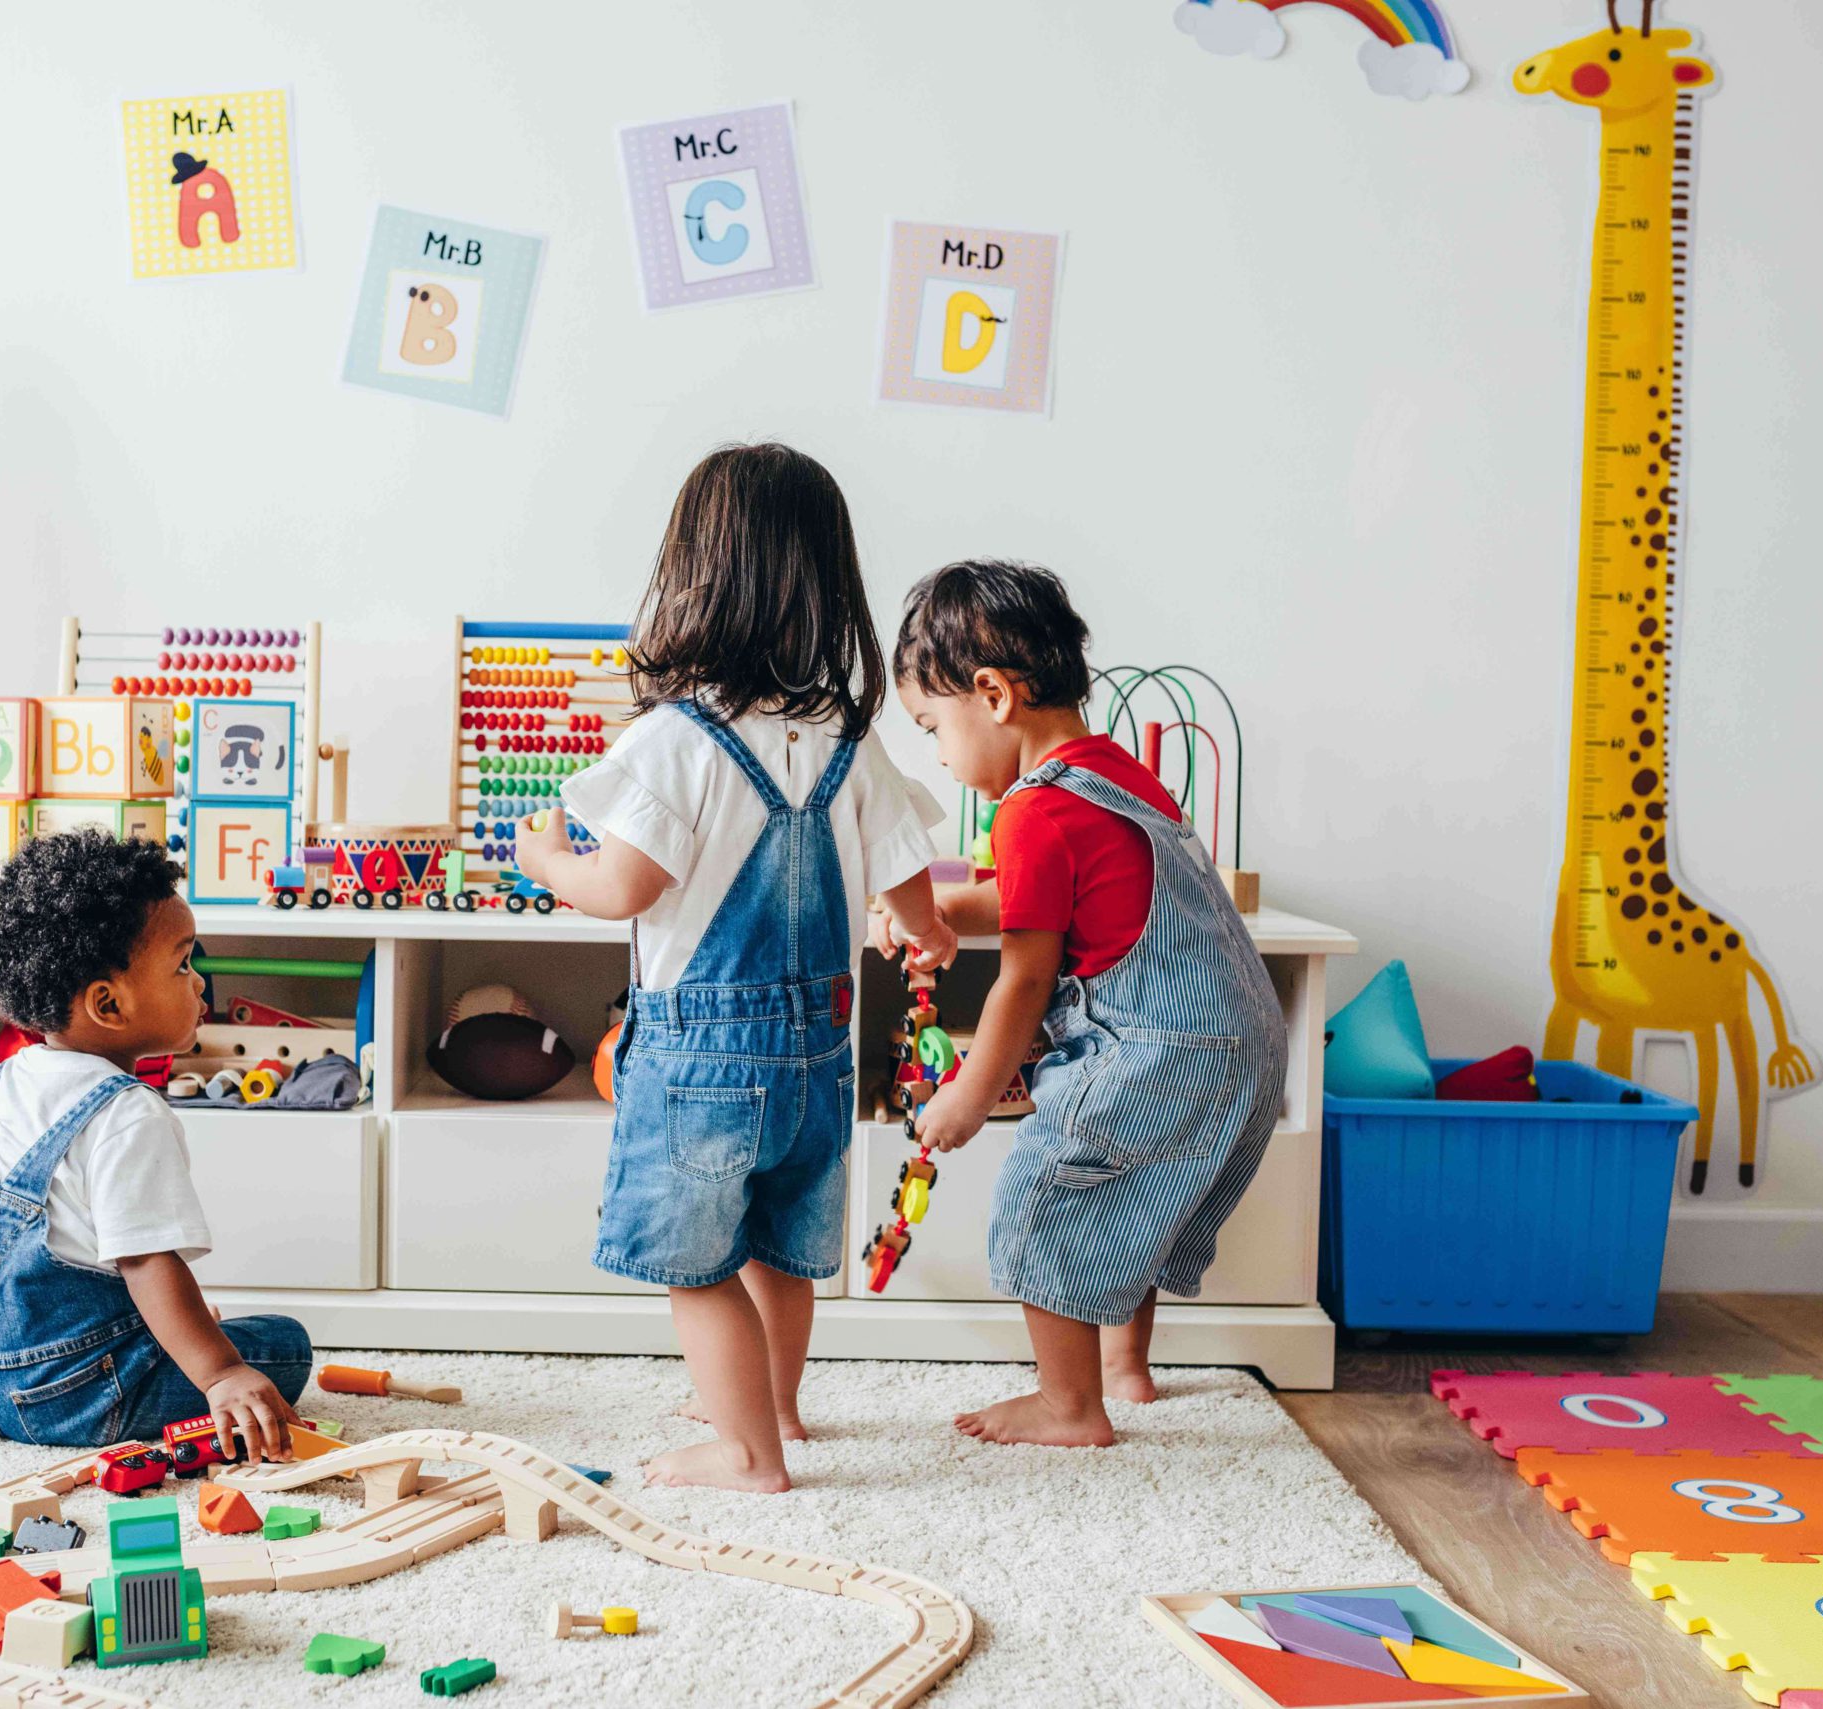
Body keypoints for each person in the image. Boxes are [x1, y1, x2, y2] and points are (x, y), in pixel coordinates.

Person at [517, 441, 951, 1491]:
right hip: (819, 1051)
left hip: (702, 1056)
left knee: (697, 1264)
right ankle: (779, 1408)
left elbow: (622, 885)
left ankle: (745, 1450)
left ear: (693, 576)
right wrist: (913, 931)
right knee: (778, 1246)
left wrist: (544, 860)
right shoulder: (850, 736)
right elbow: (914, 897)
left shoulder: (675, 738)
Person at [882, 560, 1286, 1447]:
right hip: (1241, 1038)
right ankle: (1123, 1367)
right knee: (1128, 1198)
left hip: (1161, 1043)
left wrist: (970, 1093)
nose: (940, 758)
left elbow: (1025, 976)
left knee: (1045, 1193)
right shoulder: (1117, 776)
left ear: (992, 695)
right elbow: (1054, 896)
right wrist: (945, 907)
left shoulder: (1027, 813)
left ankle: (1069, 1406)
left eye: (932, 729)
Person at [0, 831, 311, 1458]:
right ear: (108, 1003)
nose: (199, 984)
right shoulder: (127, 1114)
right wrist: (220, 1373)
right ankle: (198, 1364)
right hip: (80, 1396)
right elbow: (148, 1265)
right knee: (283, 1347)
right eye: (182, 964)